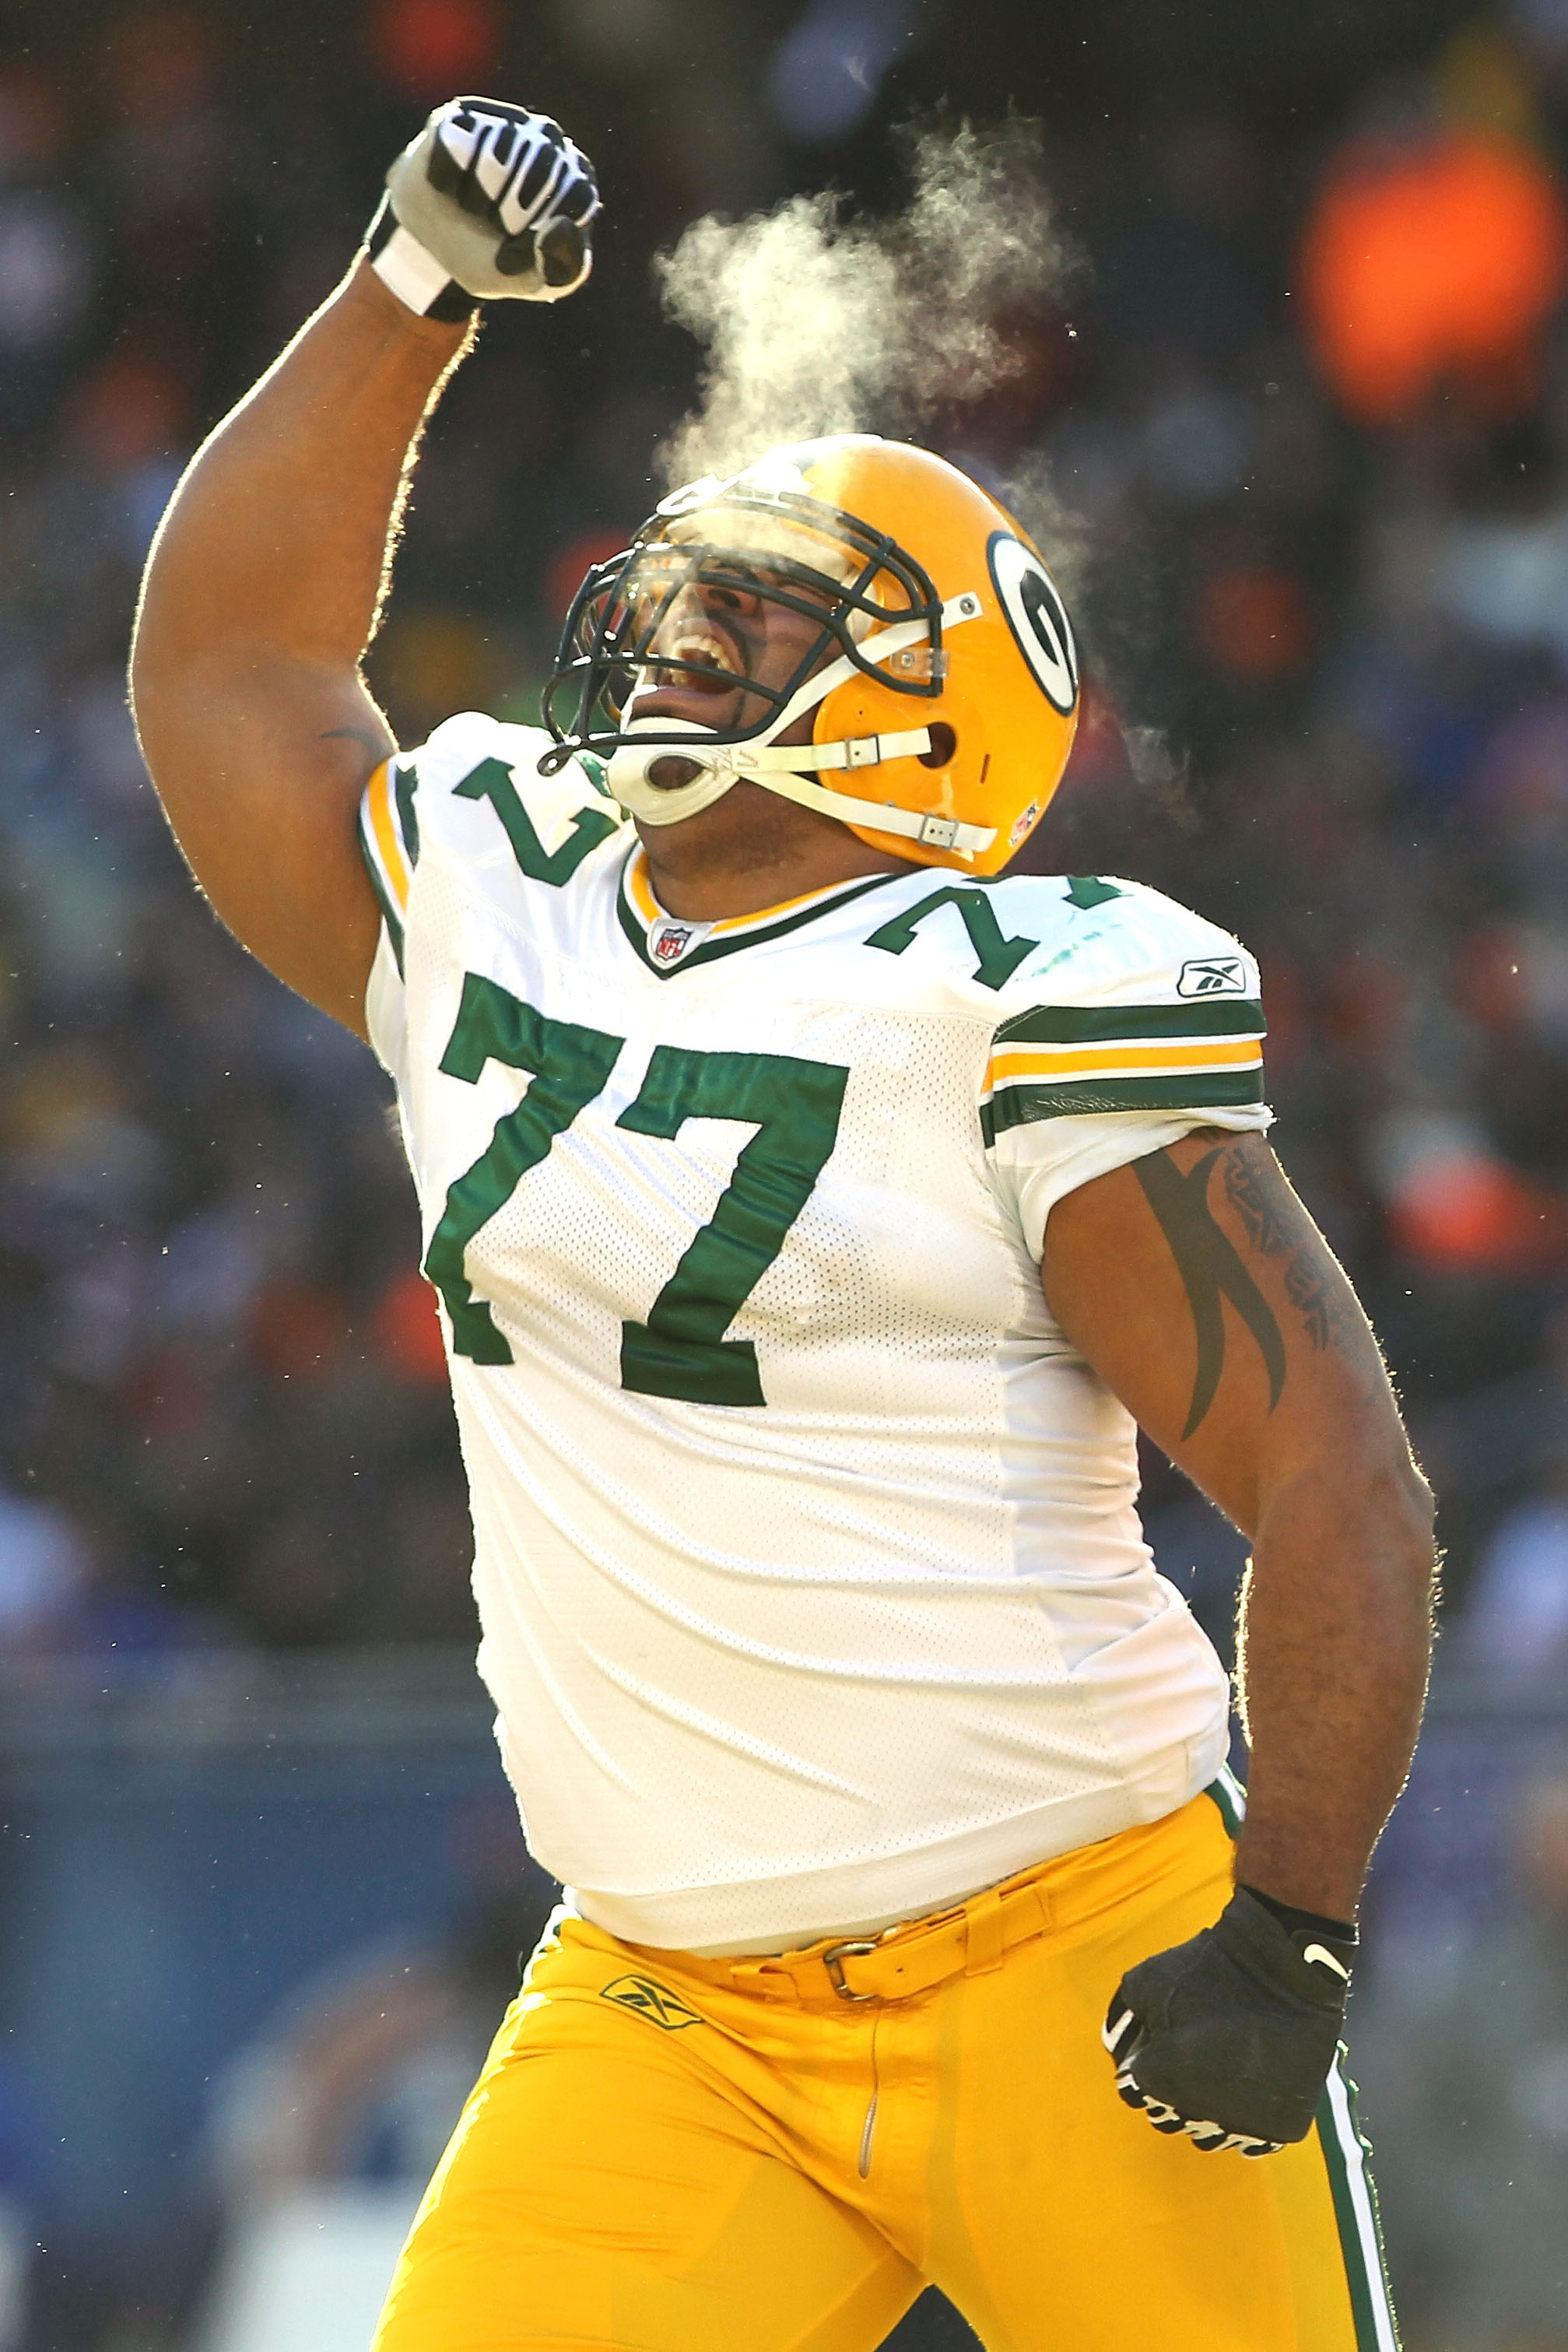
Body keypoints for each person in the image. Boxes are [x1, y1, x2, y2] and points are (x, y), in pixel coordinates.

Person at [129, 96, 1436, 2352]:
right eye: (686, 597)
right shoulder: (499, 888)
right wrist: (406, 295)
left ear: (937, 701)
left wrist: (1289, 1928)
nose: (675, 644)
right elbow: (224, 675)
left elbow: (1338, 1488)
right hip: (664, 1996)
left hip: (1064, 1944)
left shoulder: (1018, 990)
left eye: (763, 617)